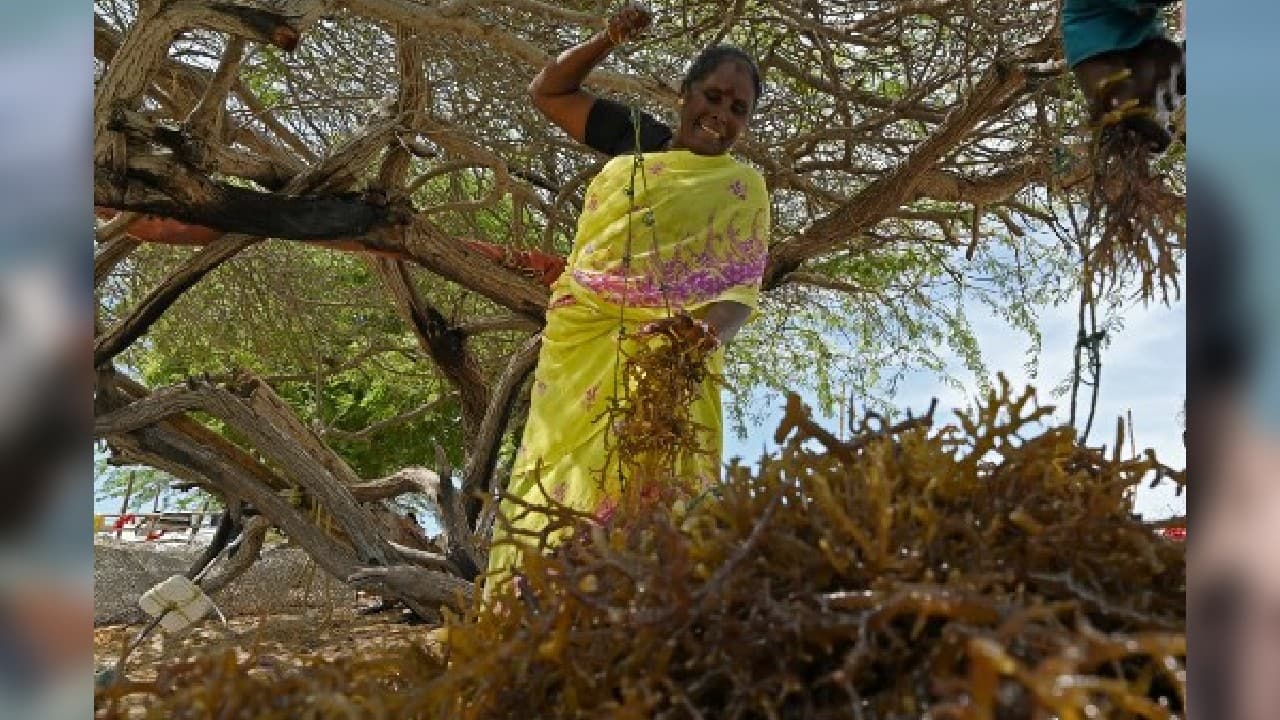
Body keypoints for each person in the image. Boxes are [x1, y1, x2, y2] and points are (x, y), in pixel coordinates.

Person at [483, 3, 770, 592]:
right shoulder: (636, 139)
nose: (721, 116)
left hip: (672, 365)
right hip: (581, 349)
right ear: (686, 94)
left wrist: (696, 340)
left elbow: (740, 293)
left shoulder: (745, 189)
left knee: (656, 511)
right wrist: (607, 37)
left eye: (737, 109)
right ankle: (530, 625)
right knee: (556, 483)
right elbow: (550, 91)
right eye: (713, 97)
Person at [1061, 0, 1184, 152]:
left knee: (1167, 57)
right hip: (1097, 52)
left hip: (1139, 47)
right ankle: (1125, 114)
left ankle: (1145, 114)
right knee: (1116, 99)